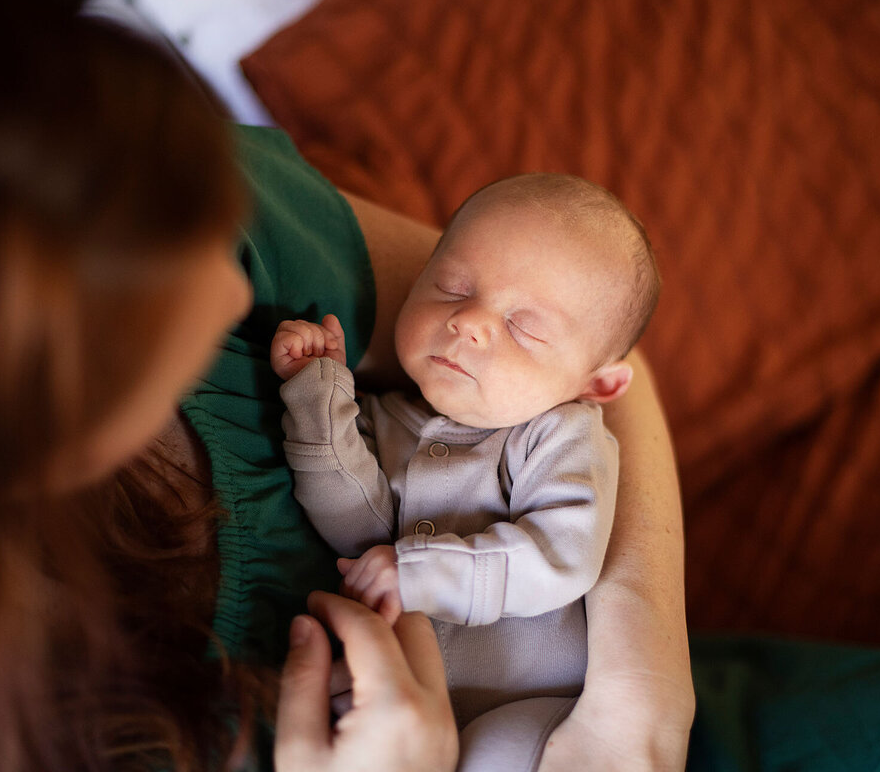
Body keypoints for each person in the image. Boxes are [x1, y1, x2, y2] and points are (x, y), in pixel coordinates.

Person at [0, 0, 695, 772]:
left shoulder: (113, 172)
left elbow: (601, 363)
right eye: (179, 279)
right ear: (36, 426)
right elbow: (358, 502)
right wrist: (320, 408)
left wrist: (645, 704)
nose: (235, 287)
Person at [270, 174, 660, 769]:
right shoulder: (385, 415)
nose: (468, 321)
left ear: (597, 385)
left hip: (532, 706)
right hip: (402, 708)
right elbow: (356, 526)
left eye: (524, 326)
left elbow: (562, 555)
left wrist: (421, 575)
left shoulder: (560, 433)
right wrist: (317, 393)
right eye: (450, 287)